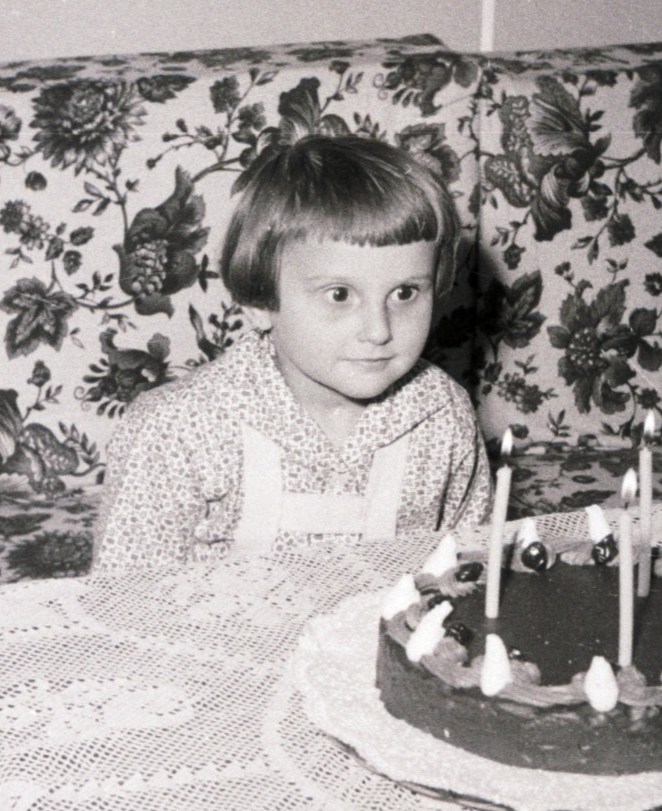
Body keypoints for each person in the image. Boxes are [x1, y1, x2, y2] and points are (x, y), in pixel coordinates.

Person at [91, 135, 491, 570]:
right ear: (261, 302)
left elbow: (470, 562)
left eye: (405, 292)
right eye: (339, 294)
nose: (379, 330)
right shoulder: (176, 429)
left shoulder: (443, 414)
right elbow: (126, 599)